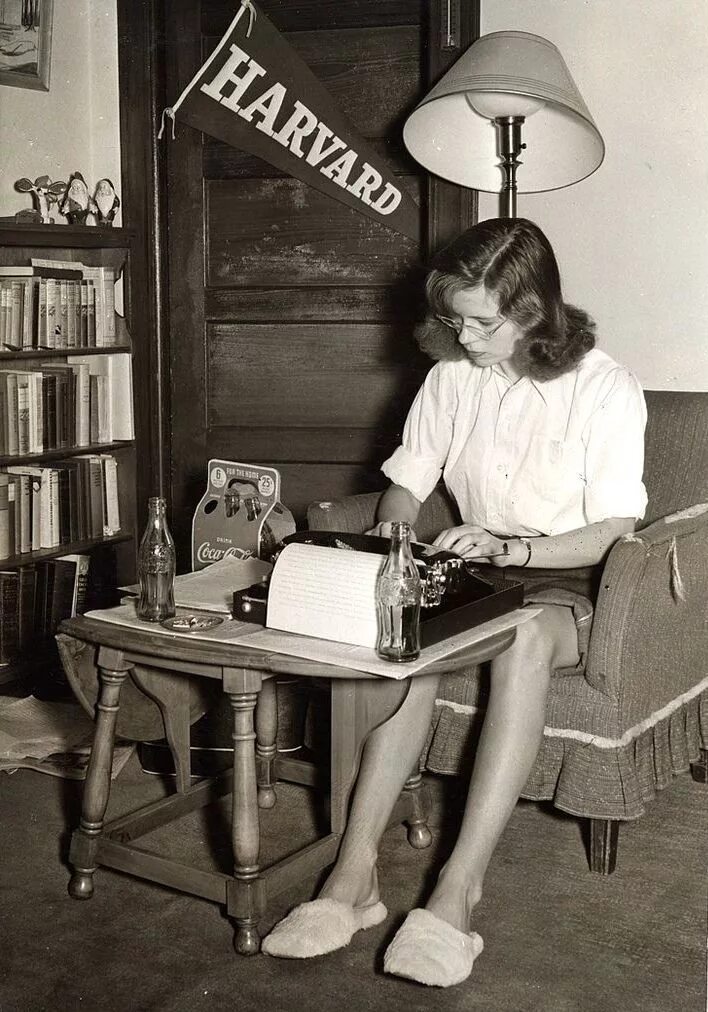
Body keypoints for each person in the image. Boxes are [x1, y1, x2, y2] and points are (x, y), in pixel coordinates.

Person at [262, 217, 648, 987]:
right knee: (418, 632)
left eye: (482, 321)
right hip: (478, 567)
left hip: (566, 577)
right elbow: (407, 483)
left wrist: (514, 551)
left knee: (527, 635)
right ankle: (354, 876)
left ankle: (455, 896)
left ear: (534, 309)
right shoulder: (451, 377)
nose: (463, 335)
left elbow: (613, 528)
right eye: (453, 317)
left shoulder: (603, 386)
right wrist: (397, 549)